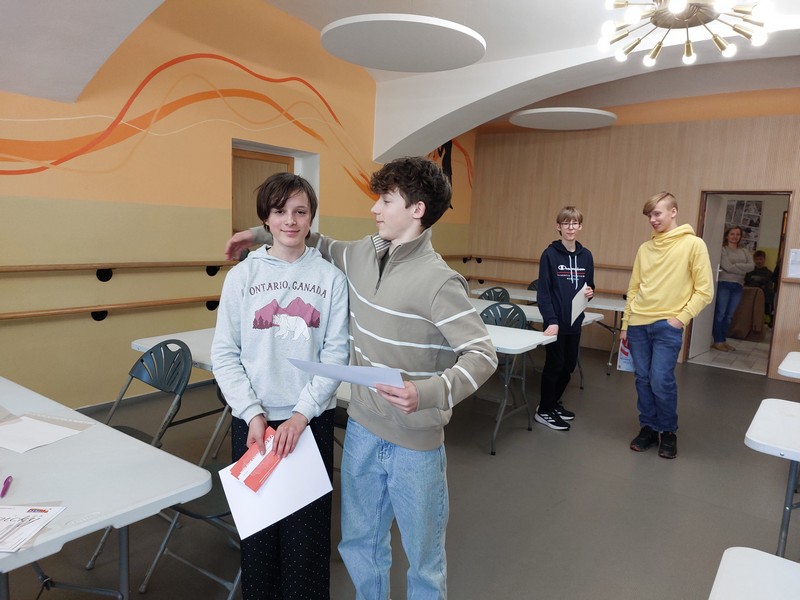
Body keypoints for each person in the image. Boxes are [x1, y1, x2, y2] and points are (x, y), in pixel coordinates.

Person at [224, 157, 497, 599]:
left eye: (386, 200)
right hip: (363, 431)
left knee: (424, 560)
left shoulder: (441, 282)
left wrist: (428, 392)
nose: (375, 208)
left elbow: (482, 354)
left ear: (417, 209)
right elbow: (308, 237)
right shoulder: (361, 254)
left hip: (415, 442)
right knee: (360, 546)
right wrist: (257, 233)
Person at [211, 172, 350, 600]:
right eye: (280, 211)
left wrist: (301, 414)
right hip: (253, 425)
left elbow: (335, 355)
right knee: (259, 539)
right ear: (266, 219)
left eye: (300, 211)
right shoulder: (241, 277)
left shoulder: (331, 278)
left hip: (308, 422)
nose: (290, 220)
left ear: (311, 218)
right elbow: (225, 354)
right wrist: (251, 412)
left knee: (306, 541)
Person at [620, 192, 713, 459]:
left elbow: (705, 290)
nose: (652, 219)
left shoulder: (693, 244)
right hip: (638, 324)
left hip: (667, 326)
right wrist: (626, 323)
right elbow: (634, 288)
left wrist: (679, 320)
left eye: (657, 213)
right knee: (642, 379)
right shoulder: (645, 249)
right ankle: (648, 428)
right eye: (649, 215)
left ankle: (668, 431)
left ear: (673, 212)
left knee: (660, 379)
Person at [534, 206, 595, 431]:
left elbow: (589, 285)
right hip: (556, 323)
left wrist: (591, 292)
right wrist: (552, 320)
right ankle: (543, 410)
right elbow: (544, 293)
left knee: (569, 366)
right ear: (558, 226)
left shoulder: (586, 256)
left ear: (580, 226)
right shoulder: (549, 255)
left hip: (575, 321)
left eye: (574, 223)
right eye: (566, 223)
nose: (570, 227)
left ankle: (552, 403)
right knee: (554, 366)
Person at [711, 226, 754, 352]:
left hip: (738, 285)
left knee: (729, 316)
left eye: (738, 234)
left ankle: (723, 340)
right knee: (721, 314)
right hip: (724, 283)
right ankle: (718, 341)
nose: (735, 236)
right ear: (727, 235)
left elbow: (751, 266)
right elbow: (727, 266)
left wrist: (736, 266)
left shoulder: (744, 251)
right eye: (732, 234)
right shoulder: (723, 249)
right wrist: (742, 268)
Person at [744, 249, 775, 326]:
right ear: (754, 260)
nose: (759, 261)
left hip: (764, 297)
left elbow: (771, 286)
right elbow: (746, 283)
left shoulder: (769, 273)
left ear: (764, 259)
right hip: (751, 296)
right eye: (757, 259)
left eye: (761, 259)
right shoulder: (749, 272)